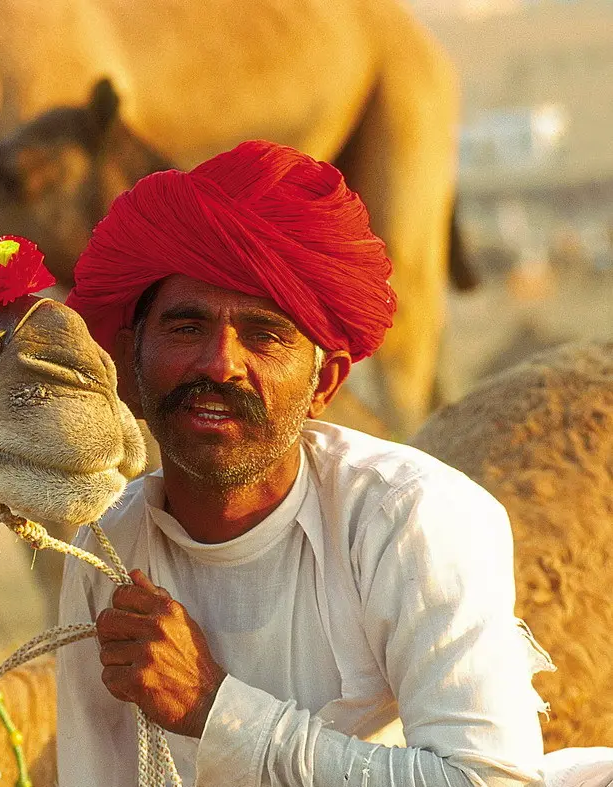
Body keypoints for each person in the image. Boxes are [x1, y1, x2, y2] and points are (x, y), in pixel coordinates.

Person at [56, 140, 565, 786]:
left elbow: (489, 781)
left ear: (325, 384)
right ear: (131, 361)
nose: (220, 362)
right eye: (186, 327)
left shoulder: (408, 519)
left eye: (264, 335)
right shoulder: (106, 554)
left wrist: (218, 711)